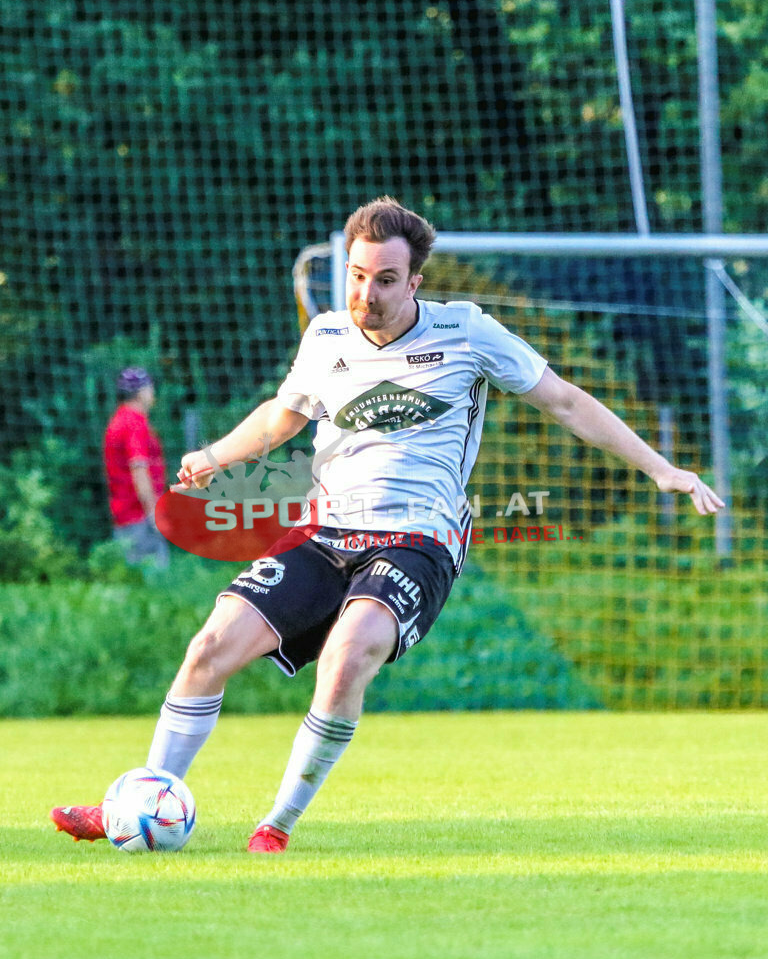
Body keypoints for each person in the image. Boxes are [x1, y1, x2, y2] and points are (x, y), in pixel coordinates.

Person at [51, 197, 724, 852]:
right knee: (207, 650)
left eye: (386, 280)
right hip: (326, 532)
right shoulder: (327, 335)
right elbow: (285, 414)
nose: (367, 293)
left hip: (419, 538)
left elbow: (567, 402)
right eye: (357, 274)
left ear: (416, 282)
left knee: (347, 660)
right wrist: (214, 455)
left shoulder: (466, 331)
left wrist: (661, 469)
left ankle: (276, 826)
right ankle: (138, 802)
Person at [103, 367, 169, 571]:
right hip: (139, 515)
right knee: (155, 583)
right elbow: (139, 470)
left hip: (125, 514)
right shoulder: (134, 423)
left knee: (134, 581)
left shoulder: (120, 419)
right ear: (142, 392)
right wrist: (153, 513)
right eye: (150, 388)